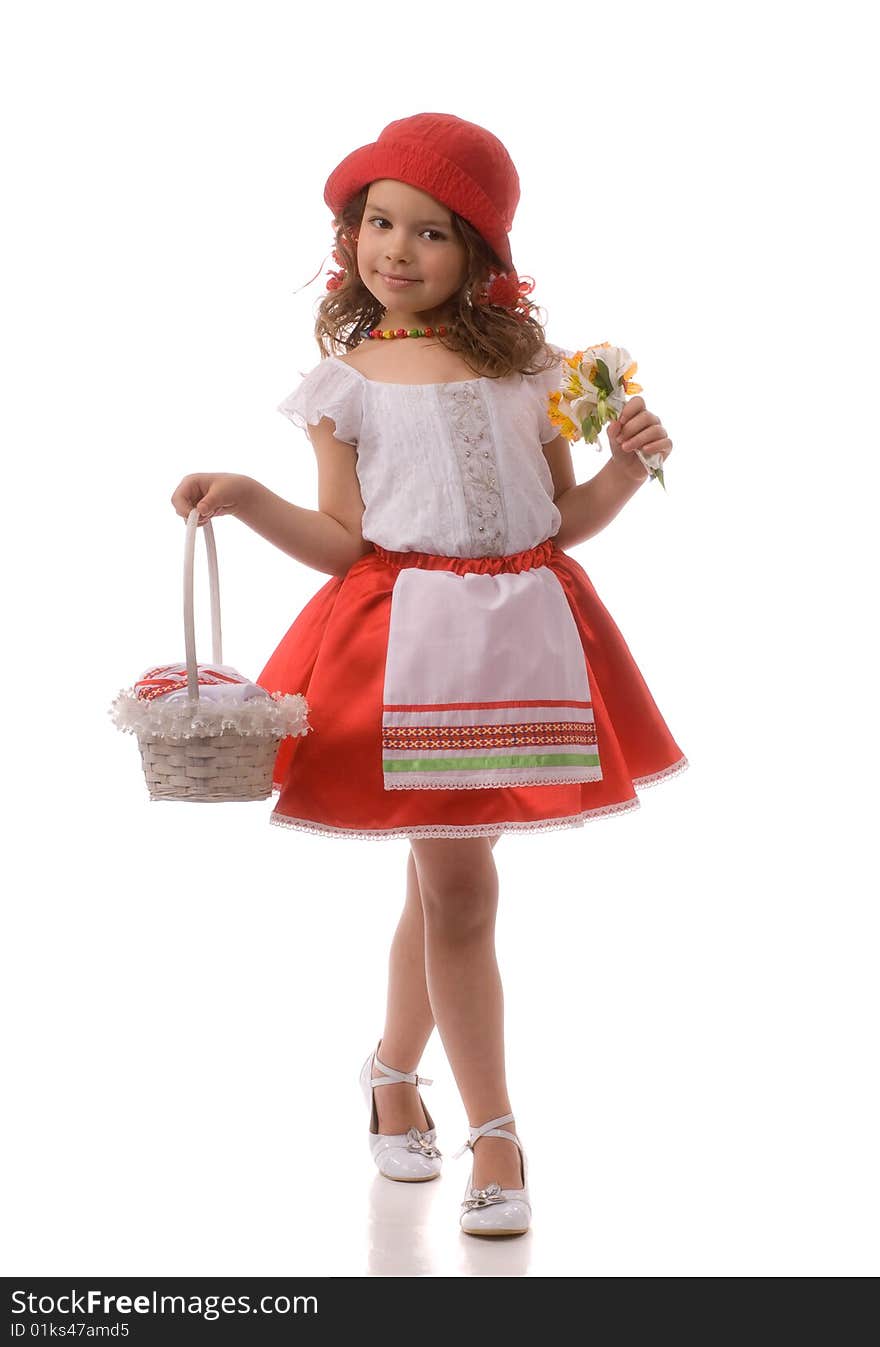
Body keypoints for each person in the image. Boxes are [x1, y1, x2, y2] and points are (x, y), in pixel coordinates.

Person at [170, 112, 688, 1239]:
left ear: (483, 255)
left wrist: (625, 464)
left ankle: (391, 1075)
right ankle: (496, 1135)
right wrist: (254, 502)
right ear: (350, 233)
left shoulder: (535, 371)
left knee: (441, 883)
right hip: (413, 651)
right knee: (459, 889)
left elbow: (561, 520)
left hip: (526, 636)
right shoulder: (344, 384)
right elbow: (350, 543)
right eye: (377, 222)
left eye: (432, 232)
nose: (394, 251)